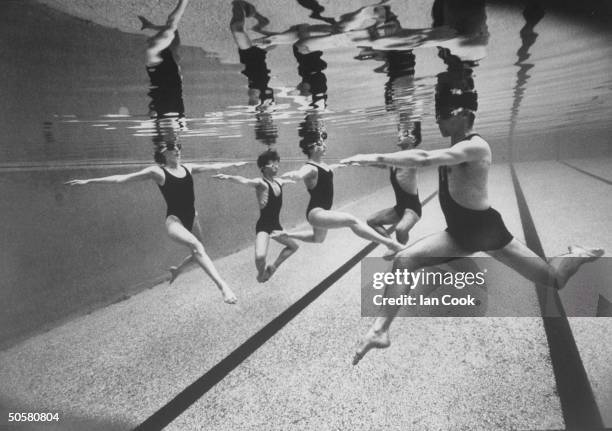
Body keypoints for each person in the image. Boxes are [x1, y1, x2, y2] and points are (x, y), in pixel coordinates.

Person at [342, 82, 604, 364]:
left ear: (461, 113)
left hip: (487, 232)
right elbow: (421, 159)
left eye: (441, 113)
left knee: (554, 279)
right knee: (405, 260)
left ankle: (576, 255)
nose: (437, 119)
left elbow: (425, 158)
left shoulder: (476, 147)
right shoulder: (456, 146)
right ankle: (380, 331)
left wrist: (372, 157)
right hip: (458, 233)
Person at [65, 139, 246, 305]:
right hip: (174, 222)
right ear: (163, 152)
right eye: (172, 148)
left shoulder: (188, 168)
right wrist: (88, 181)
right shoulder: (157, 172)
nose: (177, 150)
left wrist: (234, 164)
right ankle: (223, 287)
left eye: (178, 147)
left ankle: (178, 269)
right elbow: (121, 179)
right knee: (198, 247)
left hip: (193, 217)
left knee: (199, 251)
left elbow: (214, 166)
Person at [277, 134, 407, 258]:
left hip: (322, 211)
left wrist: (345, 164)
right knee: (351, 220)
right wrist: (295, 174)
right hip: (316, 213)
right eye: (321, 144)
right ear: (312, 147)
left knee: (318, 239)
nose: (325, 146)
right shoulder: (310, 168)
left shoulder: (323, 165)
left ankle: (287, 234)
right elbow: (301, 173)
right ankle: (391, 244)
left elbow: (330, 169)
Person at [213, 150, 299, 282]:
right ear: (263, 168)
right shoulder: (261, 183)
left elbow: (287, 180)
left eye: (277, 164)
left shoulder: (280, 181)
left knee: (293, 246)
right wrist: (228, 177)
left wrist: (294, 178)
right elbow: (245, 181)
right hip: (264, 226)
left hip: (276, 226)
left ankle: (273, 267)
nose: (276, 166)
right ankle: (261, 274)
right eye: (273, 164)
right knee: (260, 258)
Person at [138, 0, 189, 119]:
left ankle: (150, 28)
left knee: (170, 29)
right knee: (172, 28)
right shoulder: (179, 118)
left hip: (158, 69)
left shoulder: (160, 115)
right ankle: (149, 26)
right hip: (171, 66)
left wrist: (152, 111)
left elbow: (154, 104)